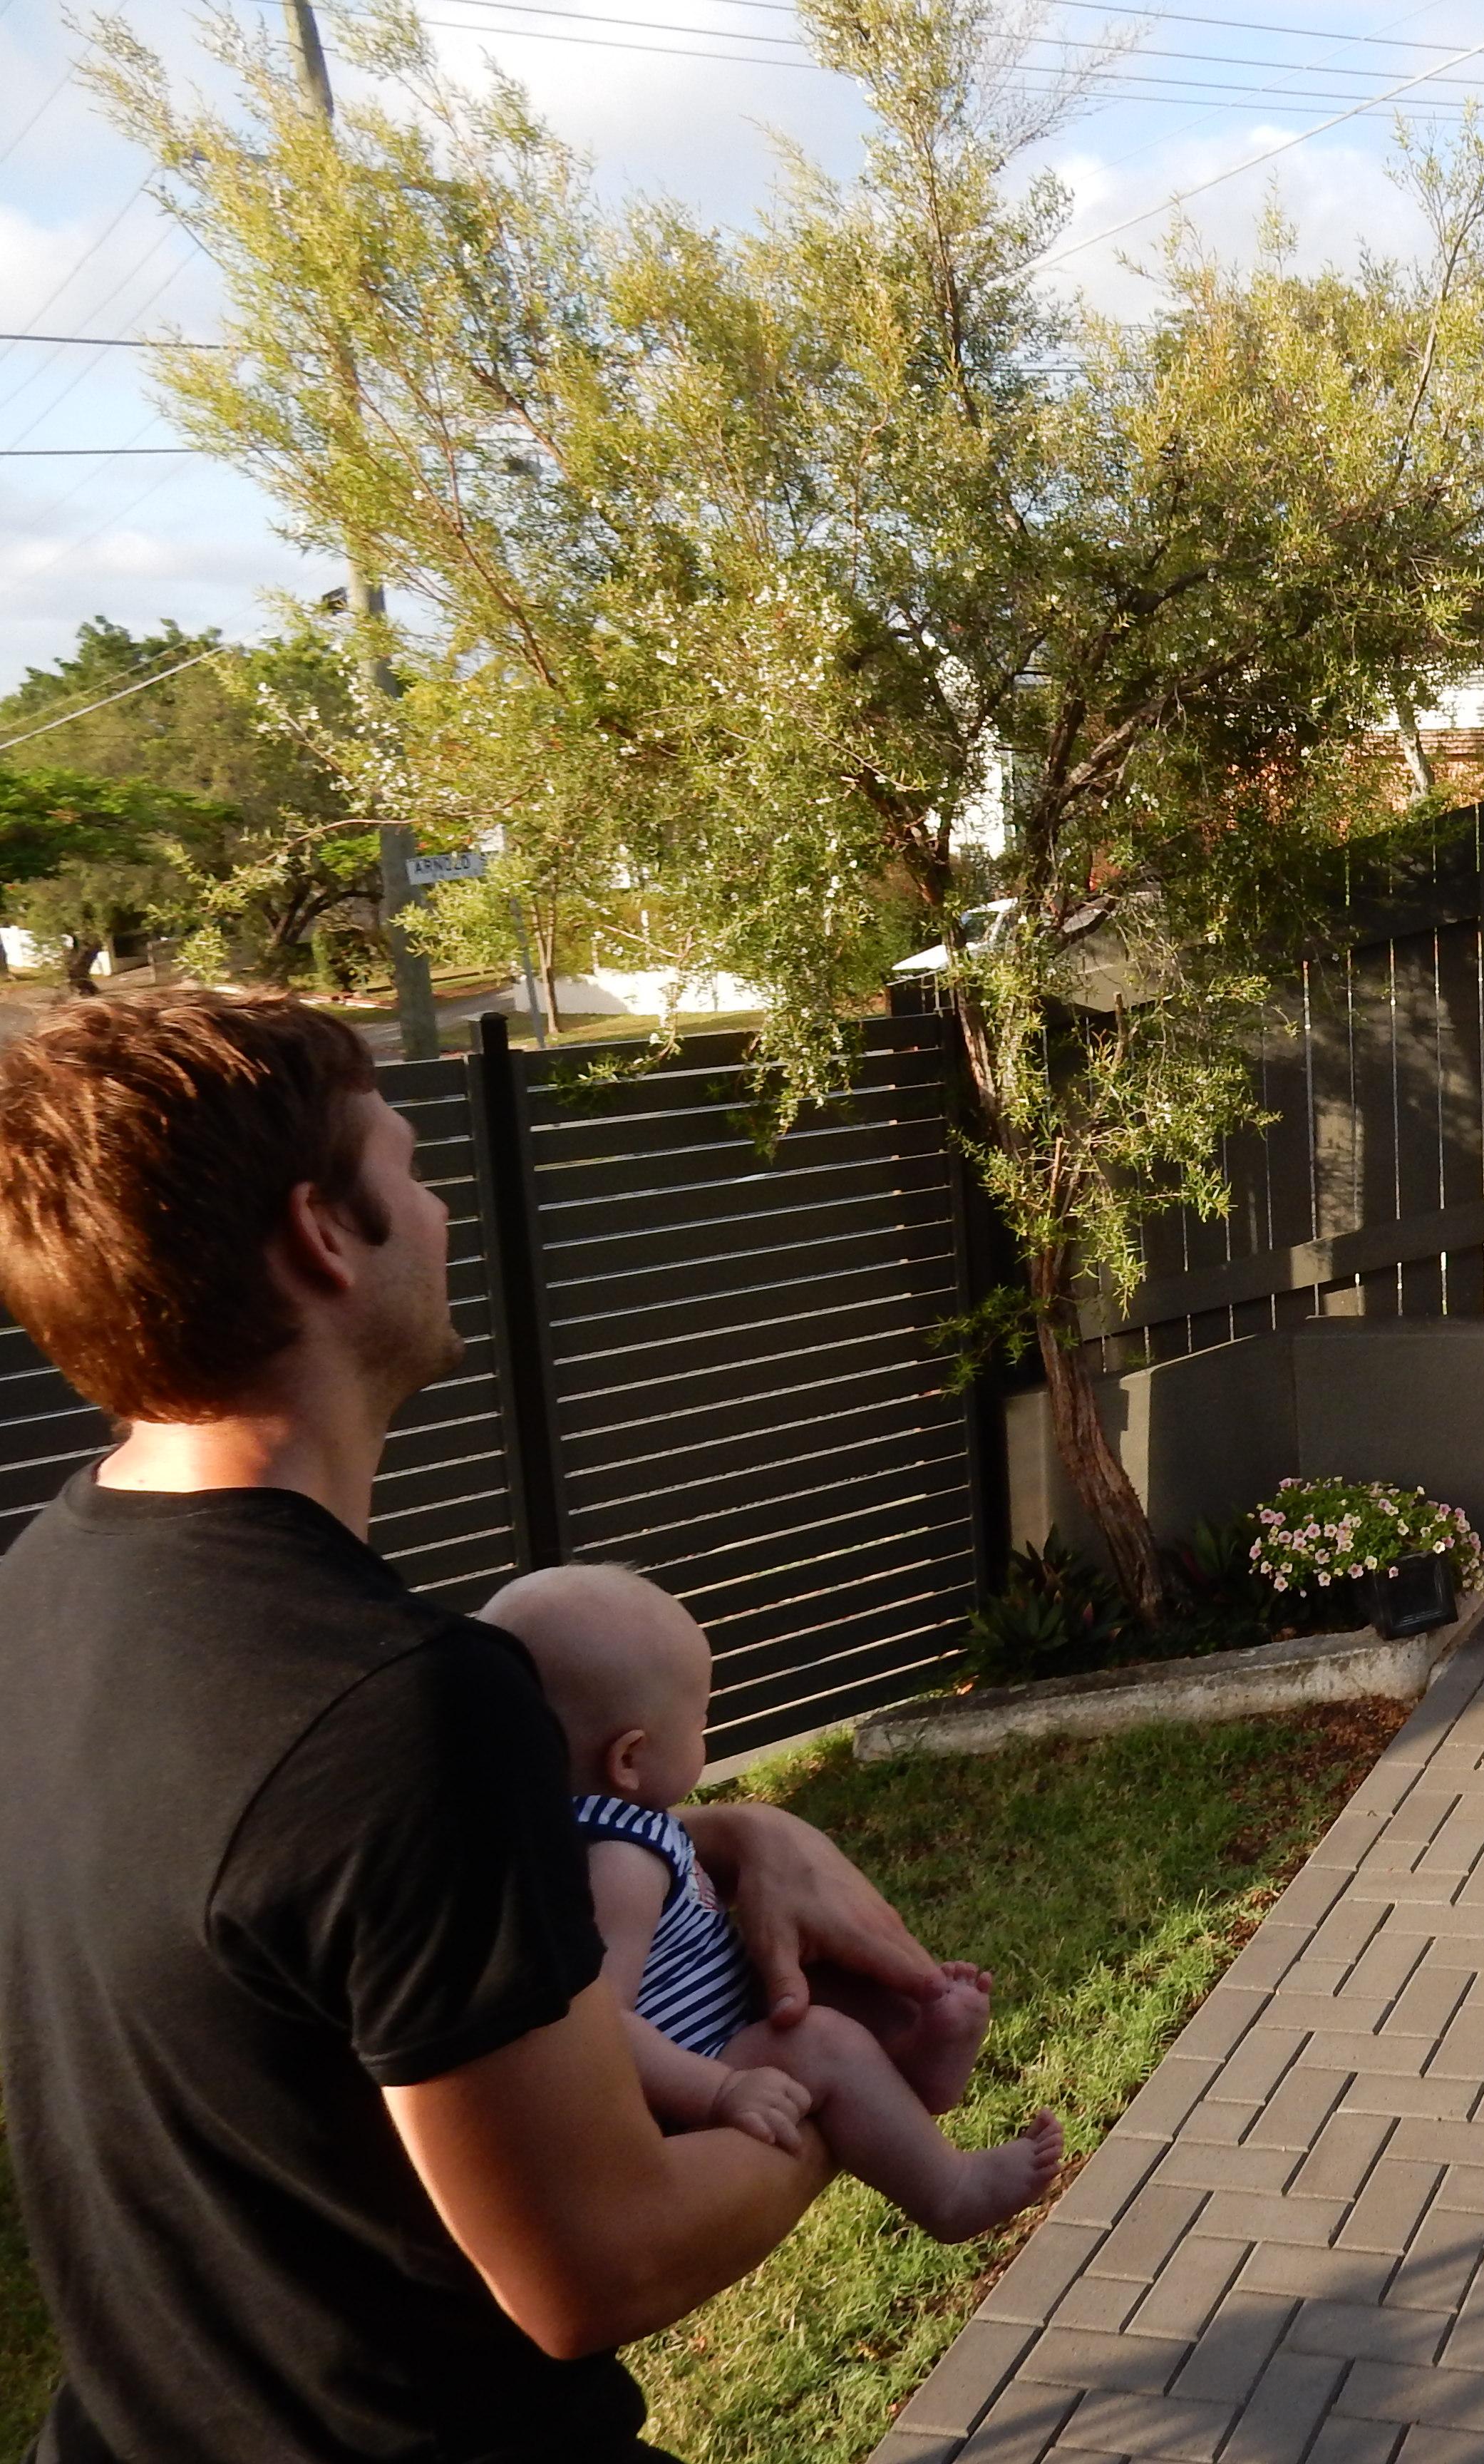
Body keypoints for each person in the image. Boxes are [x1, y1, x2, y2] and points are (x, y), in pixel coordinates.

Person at [0, 989, 947, 2463]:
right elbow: (598, 2265)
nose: (445, 1212)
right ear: (324, 1234)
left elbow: (265, 1923)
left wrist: (719, 1833)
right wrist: (844, 2085)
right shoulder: (405, 1703)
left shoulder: (40, 1593)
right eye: (415, 1167)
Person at [483, 1562, 1063, 2244]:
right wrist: (719, 2090)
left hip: (721, 2026)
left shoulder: (579, 1835)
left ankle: (916, 2064)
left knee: (819, 1987)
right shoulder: (619, 1860)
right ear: (629, 1759)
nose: (705, 1735)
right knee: (820, 2041)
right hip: (692, 2076)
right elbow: (599, 2026)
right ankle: (950, 2191)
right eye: (699, 1720)